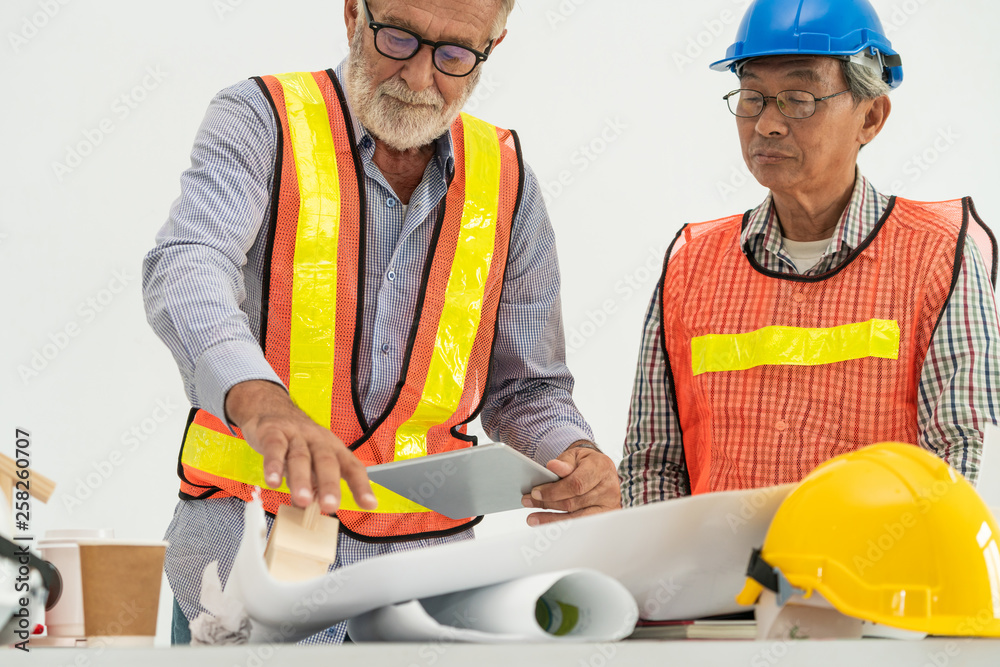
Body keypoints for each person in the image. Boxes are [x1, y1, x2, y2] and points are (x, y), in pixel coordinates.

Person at [143, 0, 620, 645]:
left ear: (493, 46)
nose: (419, 77)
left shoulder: (504, 178)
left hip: (425, 592)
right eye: (397, 38)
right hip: (247, 566)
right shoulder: (264, 121)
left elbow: (527, 387)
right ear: (351, 14)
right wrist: (258, 398)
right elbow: (187, 264)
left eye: (454, 55)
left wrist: (574, 457)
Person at [619, 0, 1000, 505]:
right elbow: (652, 464)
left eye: (798, 98)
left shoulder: (935, 256)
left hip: (876, 578)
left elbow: (963, 459)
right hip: (722, 582)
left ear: (871, 116)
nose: (767, 124)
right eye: (753, 96)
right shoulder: (693, 267)